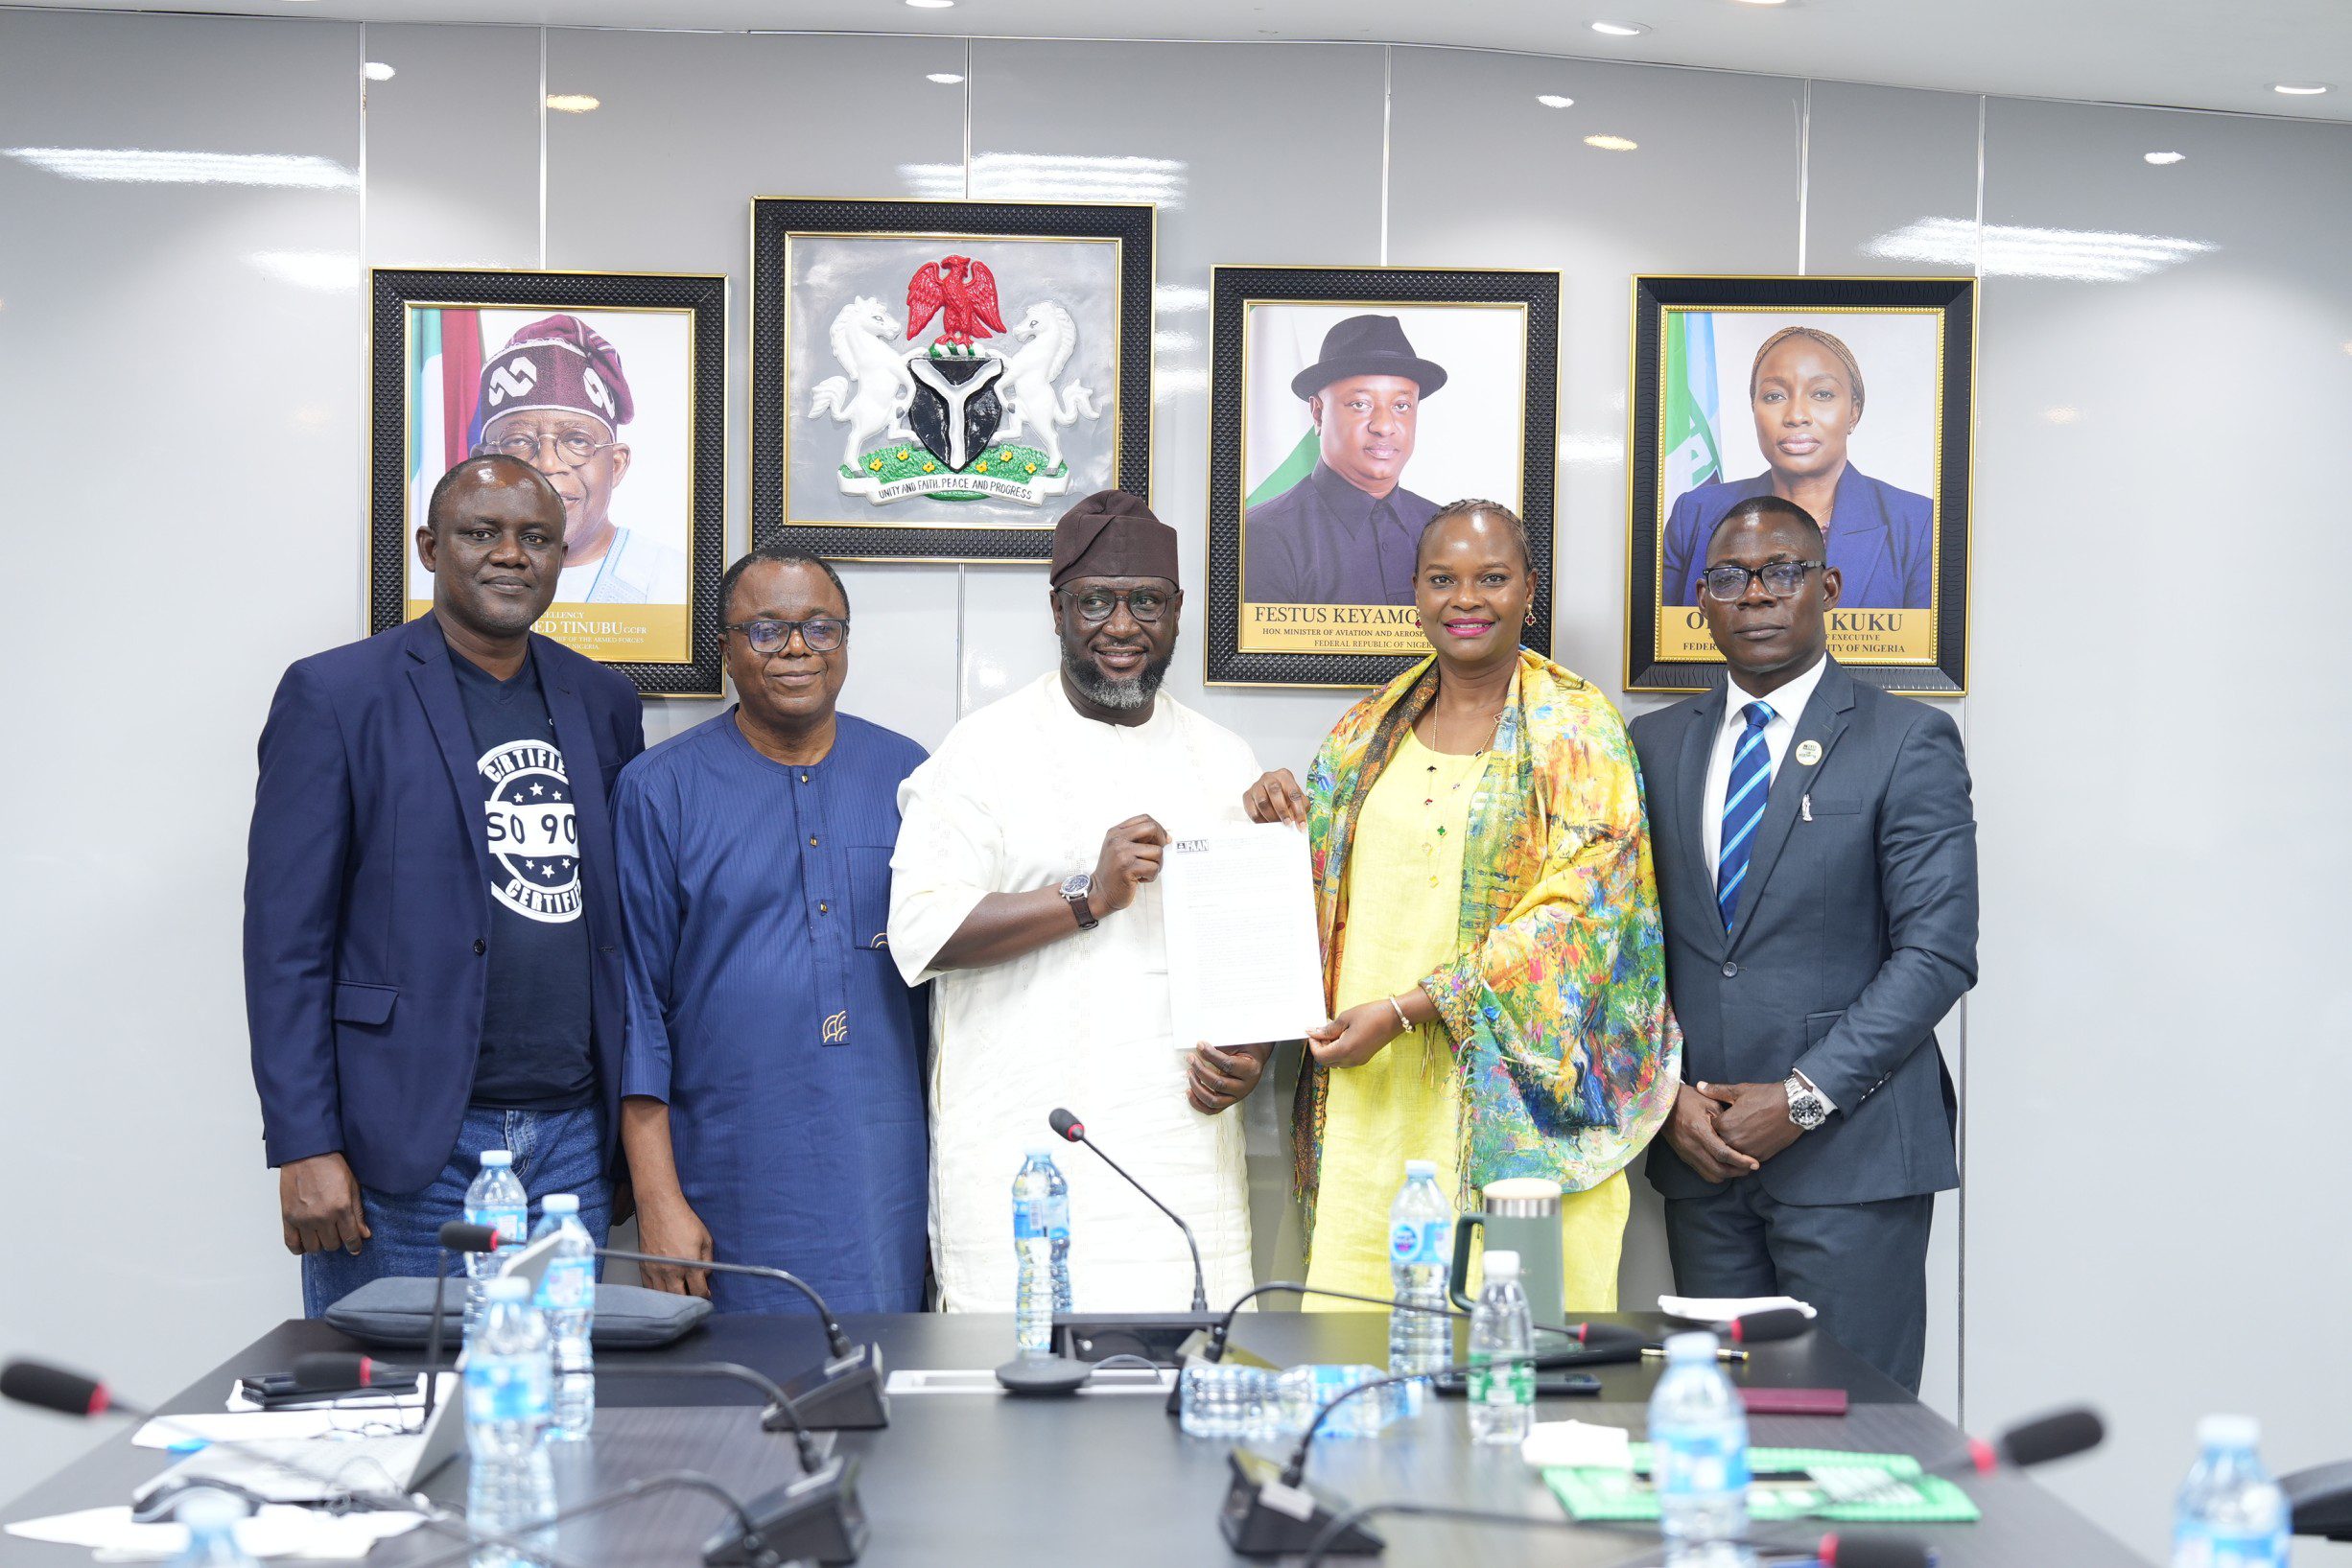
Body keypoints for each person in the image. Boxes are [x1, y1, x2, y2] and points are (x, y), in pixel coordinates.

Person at [1242, 500, 1681, 1312]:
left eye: (1492, 578)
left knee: (1510, 1351)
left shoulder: (1579, 730)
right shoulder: (1361, 733)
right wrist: (1273, 817)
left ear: (1529, 591)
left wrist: (1412, 1007)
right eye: (1443, 579)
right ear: (1415, 592)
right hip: (1371, 1102)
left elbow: (1582, 916)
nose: (1466, 599)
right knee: (1363, 1342)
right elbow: (1314, 890)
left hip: (1521, 1120)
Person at [247, 455, 645, 1318]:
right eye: (482, 532)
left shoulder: (604, 700)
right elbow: (285, 943)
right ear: (431, 548)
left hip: (573, 1141)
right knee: (394, 1392)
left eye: (536, 537)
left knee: (551, 1385)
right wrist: (304, 1141)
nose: (511, 554)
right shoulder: (336, 694)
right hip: (401, 1140)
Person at [888, 490, 1275, 1312]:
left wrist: (1254, 1055)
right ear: (1057, 609)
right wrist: (1087, 896)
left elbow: (1247, 955)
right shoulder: (982, 751)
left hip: (1179, 1158)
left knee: (1184, 1373)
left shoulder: (1223, 758)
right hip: (1023, 1149)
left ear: (1178, 612)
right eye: (1096, 601)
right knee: (1017, 1376)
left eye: (1147, 602)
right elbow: (920, 930)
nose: (1122, 626)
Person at [1631, 494, 1976, 1393]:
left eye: (1781, 571)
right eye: (1729, 577)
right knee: (1721, 1431)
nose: (1755, 593)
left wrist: (1803, 1098)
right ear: (1702, 600)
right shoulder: (1653, 745)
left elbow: (1938, 952)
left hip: (1851, 1160)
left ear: (1827, 586)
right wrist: (1667, 1097)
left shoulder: (1906, 739)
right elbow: (1624, 949)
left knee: (1850, 1432)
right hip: (1702, 1157)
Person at [613, 549, 930, 1313]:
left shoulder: (909, 775)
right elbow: (634, 1010)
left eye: (821, 628)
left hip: (885, 1170)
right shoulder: (659, 789)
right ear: (725, 648)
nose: (796, 649)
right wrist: (656, 1196)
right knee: (737, 1381)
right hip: (726, 1170)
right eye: (765, 629)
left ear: (845, 641)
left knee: (885, 1371)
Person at [1659, 325, 1934, 610]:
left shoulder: (1918, 524)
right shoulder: (1694, 514)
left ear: (1854, 412)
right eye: (1774, 396)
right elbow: (1659, 634)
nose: (1796, 415)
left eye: (1822, 394)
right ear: (1754, 408)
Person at [426, 314, 689, 606]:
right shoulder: (437, 581)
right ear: (482, 464)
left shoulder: (677, 584)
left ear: (616, 465)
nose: (548, 464)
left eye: (577, 441)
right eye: (518, 441)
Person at [1244, 314, 1447, 606]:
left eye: (1402, 406)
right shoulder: (1263, 535)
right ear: (1318, 414)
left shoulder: (1446, 529)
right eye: (1360, 404)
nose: (1384, 426)